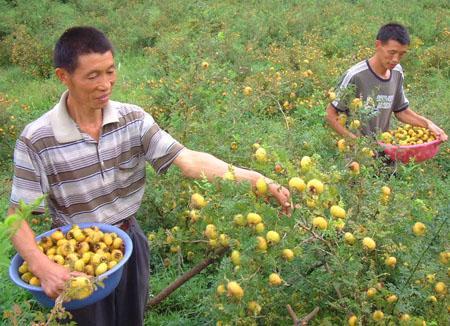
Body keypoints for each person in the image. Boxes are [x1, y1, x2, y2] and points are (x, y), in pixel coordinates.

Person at [7, 26, 290, 326]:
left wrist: (259, 180)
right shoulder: (37, 139)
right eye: (93, 76)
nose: (105, 84)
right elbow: (16, 218)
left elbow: (190, 162)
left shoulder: (133, 120)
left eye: (110, 71)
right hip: (74, 259)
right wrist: (42, 266)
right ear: (63, 77)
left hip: (128, 241)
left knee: (133, 318)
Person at [325, 23, 447, 141]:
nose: (396, 60)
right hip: (356, 156)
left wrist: (428, 124)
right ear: (378, 45)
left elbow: (402, 111)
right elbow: (330, 114)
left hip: (384, 149)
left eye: (401, 54)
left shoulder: (397, 72)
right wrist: (355, 143)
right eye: (392, 52)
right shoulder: (355, 75)